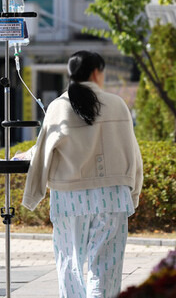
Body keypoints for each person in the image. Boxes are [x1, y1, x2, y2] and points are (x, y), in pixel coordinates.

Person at [19, 51, 143, 298]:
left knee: (70, 264)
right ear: (97, 73)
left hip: (69, 197)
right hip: (112, 196)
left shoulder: (59, 106)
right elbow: (133, 153)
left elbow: (44, 151)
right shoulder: (117, 104)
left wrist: (33, 195)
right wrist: (134, 192)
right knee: (106, 268)